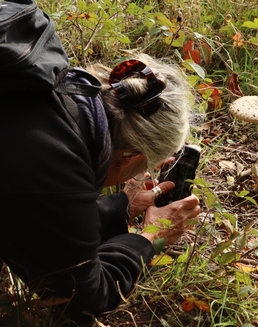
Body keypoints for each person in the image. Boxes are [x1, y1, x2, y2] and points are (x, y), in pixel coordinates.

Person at [0, 53, 201, 324]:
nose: (145, 173)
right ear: (131, 157)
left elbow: (46, 217)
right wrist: (152, 238)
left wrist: (122, 206)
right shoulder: (57, 171)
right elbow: (87, 294)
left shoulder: (55, 93)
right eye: (149, 165)